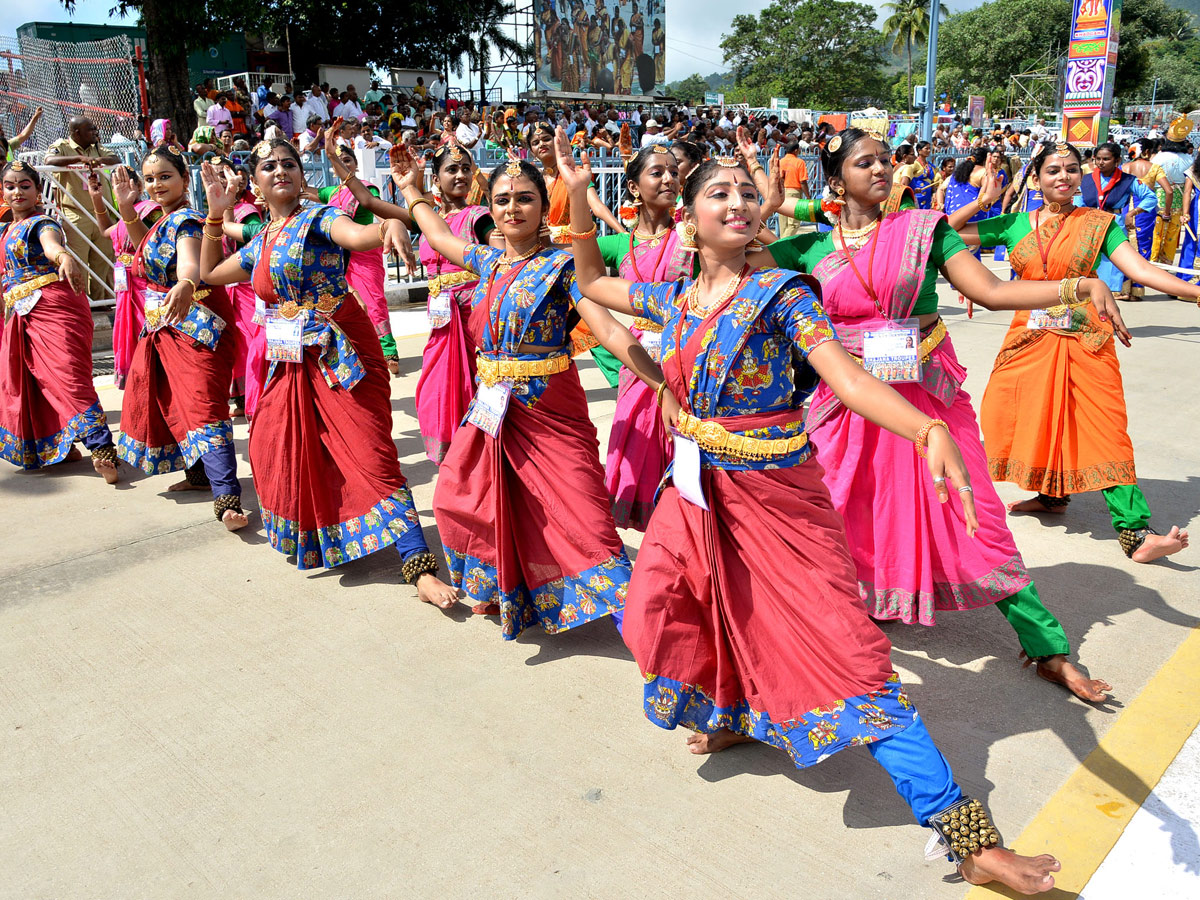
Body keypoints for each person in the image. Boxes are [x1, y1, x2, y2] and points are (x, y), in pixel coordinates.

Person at [560, 140, 1064, 897]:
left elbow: (849, 378)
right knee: (664, 616)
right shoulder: (673, 298)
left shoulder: (785, 295)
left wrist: (926, 429)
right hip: (693, 500)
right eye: (717, 194)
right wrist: (574, 194)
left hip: (777, 503)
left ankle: (966, 835)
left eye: (745, 192)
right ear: (690, 221)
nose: (736, 202)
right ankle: (737, 712)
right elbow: (592, 280)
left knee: (848, 655)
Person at [757, 129, 1115, 702]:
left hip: (928, 395)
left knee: (975, 516)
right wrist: (767, 206)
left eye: (885, 160)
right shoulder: (806, 250)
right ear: (836, 178)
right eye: (864, 162)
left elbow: (993, 292)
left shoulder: (927, 230)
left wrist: (1078, 285)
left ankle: (1048, 648)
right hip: (849, 402)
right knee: (843, 509)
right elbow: (718, 259)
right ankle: (846, 625)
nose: (881, 169)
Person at [389, 141, 660, 639]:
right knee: (462, 497)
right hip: (491, 407)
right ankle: (513, 588)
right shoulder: (489, 262)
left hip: (549, 409)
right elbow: (436, 234)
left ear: (543, 207)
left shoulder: (562, 268)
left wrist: (659, 382)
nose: (512, 208)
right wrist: (411, 190)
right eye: (503, 199)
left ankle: (639, 623)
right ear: (490, 208)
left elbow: (610, 331)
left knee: (581, 514)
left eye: (525, 198)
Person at [195, 140, 457, 602]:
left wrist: (390, 223)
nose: (280, 171)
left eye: (289, 164)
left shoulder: (318, 218)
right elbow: (210, 274)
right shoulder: (261, 240)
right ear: (254, 184)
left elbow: (360, 235)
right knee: (276, 447)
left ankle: (419, 567)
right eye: (268, 166)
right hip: (288, 360)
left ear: (301, 176)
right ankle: (329, 533)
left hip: (340, 353)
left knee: (370, 451)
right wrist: (215, 216)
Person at [952, 141, 1197, 563]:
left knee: (1104, 428)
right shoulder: (1012, 224)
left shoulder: (1100, 223)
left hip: (1087, 337)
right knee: (1017, 416)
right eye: (1053, 170)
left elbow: (1138, 269)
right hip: (1028, 338)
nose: (1063, 177)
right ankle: (1051, 497)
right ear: (1036, 178)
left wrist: (1195, 292)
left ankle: (1136, 533)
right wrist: (982, 201)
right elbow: (943, 236)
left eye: (1071, 169)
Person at [110, 147, 248, 529]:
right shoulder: (162, 220)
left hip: (196, 325)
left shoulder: (187, 219)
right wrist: (126, 209)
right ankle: (201, 476)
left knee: (203, 406)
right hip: (167, 324)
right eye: (150, 178)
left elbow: (188, 261)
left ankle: (227, 496)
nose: (156, 184)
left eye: (165, 176)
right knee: (175, 400)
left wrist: (187, 281)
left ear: (185, 180)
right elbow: (147, 248)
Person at [0, 160, 119, 481]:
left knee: (68, 377)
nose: (17, 191)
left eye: (25, 185)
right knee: (28, 383)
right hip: (20, 316)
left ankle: (103, 448)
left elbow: (52, 246)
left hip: (53, 310)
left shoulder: (43, 223)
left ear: (38, 191)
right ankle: (59, 448)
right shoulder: (4, 229)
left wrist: (64, 256)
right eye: (10, 186)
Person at [598, 144, 692, 530]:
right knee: (640, 442)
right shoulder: (620, 244)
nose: (669, 178)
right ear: (634, 188)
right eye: (657, 172)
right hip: (636, 357)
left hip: (683, 353)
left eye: (673, 171)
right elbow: (562, 258)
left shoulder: (692, 235)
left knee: (680, 440)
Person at [409, 141, 495, 464]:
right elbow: (376, 206)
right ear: (436, 177)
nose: (460, 175)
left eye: (465, 169)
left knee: (473, 390)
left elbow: (495, 241)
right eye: (451, 169)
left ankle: (476, 460)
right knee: (433, 395)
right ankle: (455, 461)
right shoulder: (429, 218)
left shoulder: (478, 216)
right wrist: (407, 185)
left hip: (471, 318)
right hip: (442, 325)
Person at [303, 131, 406, 374]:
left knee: (374, 301)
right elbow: (303, 190)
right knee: (344, 303)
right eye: (338, 161)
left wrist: (390, 233)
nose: (343, 164)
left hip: (364, 253)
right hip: (337, 259)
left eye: (347, 160)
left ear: (356, 164)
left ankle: (388, 350)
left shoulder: (367, 188)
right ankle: (356, 350)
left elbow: (380, 211)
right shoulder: (331, 193)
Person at [84, 165, 159, 389]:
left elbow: (148, 243)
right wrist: (96, 199)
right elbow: (108, 231)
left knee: (146, 327)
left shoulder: (149, 210)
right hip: (125, 285)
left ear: (137, 186)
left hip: (143, 281)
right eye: (115, 185)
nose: (120, 188)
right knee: (128, 330)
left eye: (125, 183)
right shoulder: (126, 215)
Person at [44, 117, 120, 300]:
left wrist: (99, 160)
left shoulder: (97, 147)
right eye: (90, 129)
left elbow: (115, 157)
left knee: (104, 259)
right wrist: (79, 159)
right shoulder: (61, 146)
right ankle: (80, 301)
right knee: (77, 260)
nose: (95, 131)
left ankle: (102, 300)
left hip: (102, 214)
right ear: (76, 133)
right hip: (76, 213)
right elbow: (48, 159)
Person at [1079, 142, 1157, 300]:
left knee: (1112, 259)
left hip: (1114, 223)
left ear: (1117, 161)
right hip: (1090, 222)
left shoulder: (1128, 180)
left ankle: (1111, 293)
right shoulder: (1086, 179)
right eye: (1098, 159)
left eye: (1106, 159)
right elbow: (1079, 200)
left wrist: (1133, 212)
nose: (1100, 162)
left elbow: (1151, 197)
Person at [1150, 118, 1194, 272]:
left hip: (1159, 198)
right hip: (1180, 200)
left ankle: (1152, 262)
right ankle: (1166, 265)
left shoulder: (1159, 158)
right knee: (1172, 234)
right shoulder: (1189, 159)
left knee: (1156, 232)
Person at [777, 140, 809, 239]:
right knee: (794, 223)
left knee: (783, 223)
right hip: (794, 193)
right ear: (796, 150)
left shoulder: (781, 162)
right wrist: (808, 196)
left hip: (782, 192)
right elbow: (803, 181)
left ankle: (782, 248)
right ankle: (782, 243)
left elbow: (779, 178)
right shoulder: (799, 162)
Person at [894, 141, 936, 208]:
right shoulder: (908, 167)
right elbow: (903, 186)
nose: (915, 157)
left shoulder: (896, 167)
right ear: (905, 156)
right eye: (912, 154)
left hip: (895, 200)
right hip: (905, 202)